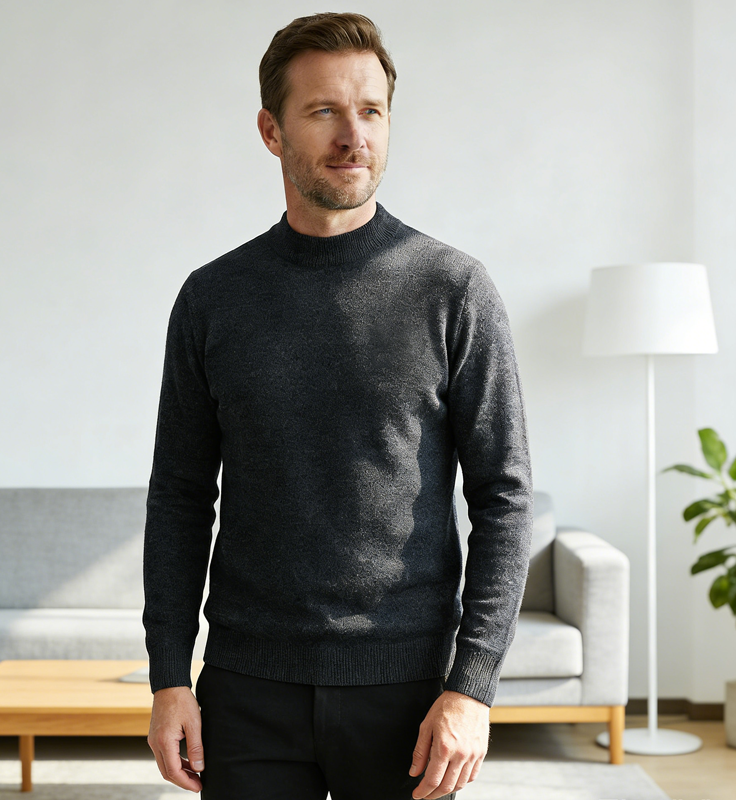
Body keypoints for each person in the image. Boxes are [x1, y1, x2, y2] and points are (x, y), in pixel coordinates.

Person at [143, 11, 533, 800]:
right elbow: (180, 496)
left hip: (407, 692)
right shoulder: (213, 299)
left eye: (372, 111)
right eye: (324, 111)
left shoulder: (453, 290)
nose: (354, 136)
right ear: (271, 130)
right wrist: (168, 677)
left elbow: (504, 495)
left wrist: (472, 686)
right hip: (248, 688)